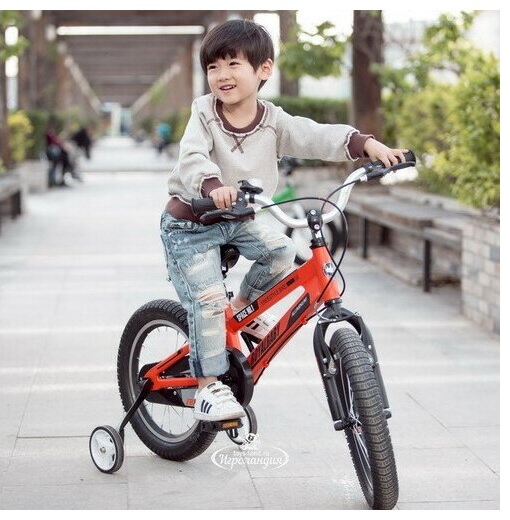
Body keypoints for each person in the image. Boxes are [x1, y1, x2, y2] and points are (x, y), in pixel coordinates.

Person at [160, 19, 407, 422]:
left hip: (239, 218)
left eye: (233, 64)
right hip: (193, 223)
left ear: (264, 69)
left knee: (282, 250)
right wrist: (212, 185)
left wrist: (366, 145)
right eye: (213, 67)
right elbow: (192, 157)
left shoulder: (273, 121)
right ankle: (207, 387)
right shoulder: (204, 112)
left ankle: (243, 309)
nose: (222, 75)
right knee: (207, 302)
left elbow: (315, 135)